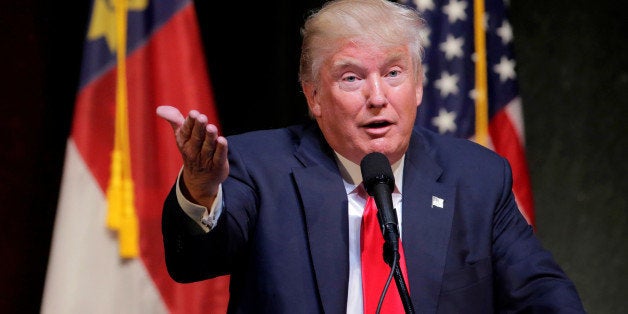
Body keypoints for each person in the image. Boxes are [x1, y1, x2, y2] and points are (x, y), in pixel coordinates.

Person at [157, 0, 585, 313]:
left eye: (394, 73)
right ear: (314, 96)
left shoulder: (476, 177)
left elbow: (540, 291)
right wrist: (200, 188)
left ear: (418, 86)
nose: (377, 97)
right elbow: (193, 264)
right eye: (351, 77)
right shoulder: (260, 166)